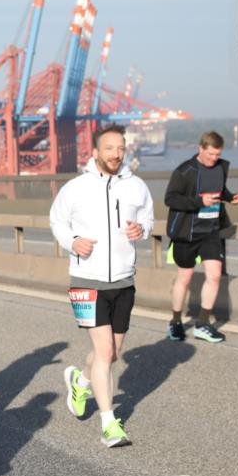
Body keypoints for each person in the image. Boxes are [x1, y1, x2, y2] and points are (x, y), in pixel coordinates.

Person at [49, 123, 154, 448]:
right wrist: (73, 240)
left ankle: (80, 381)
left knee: (112, 353)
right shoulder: (76, 187)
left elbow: (149, 220)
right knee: (106, 351)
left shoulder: (136, 186)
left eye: (120, 148)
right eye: (109, 148)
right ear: (95, 152)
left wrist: (143, 230)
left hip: (123, 280)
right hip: (85, 280)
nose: (116, 154)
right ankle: (109, 423)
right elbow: (56, 221)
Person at [164, 131, 238, 343]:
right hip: (186, 234)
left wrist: (230, 197)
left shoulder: (220, 167)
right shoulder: (184, 170)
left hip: (210, 231)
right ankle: (176, 322)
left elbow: (219, 190)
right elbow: (170, 199)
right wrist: (199, 202)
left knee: (215, 275)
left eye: (217, 154)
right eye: (210, 154)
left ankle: (202, 324)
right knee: (185, 278)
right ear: (201, 148)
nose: (214, 159)